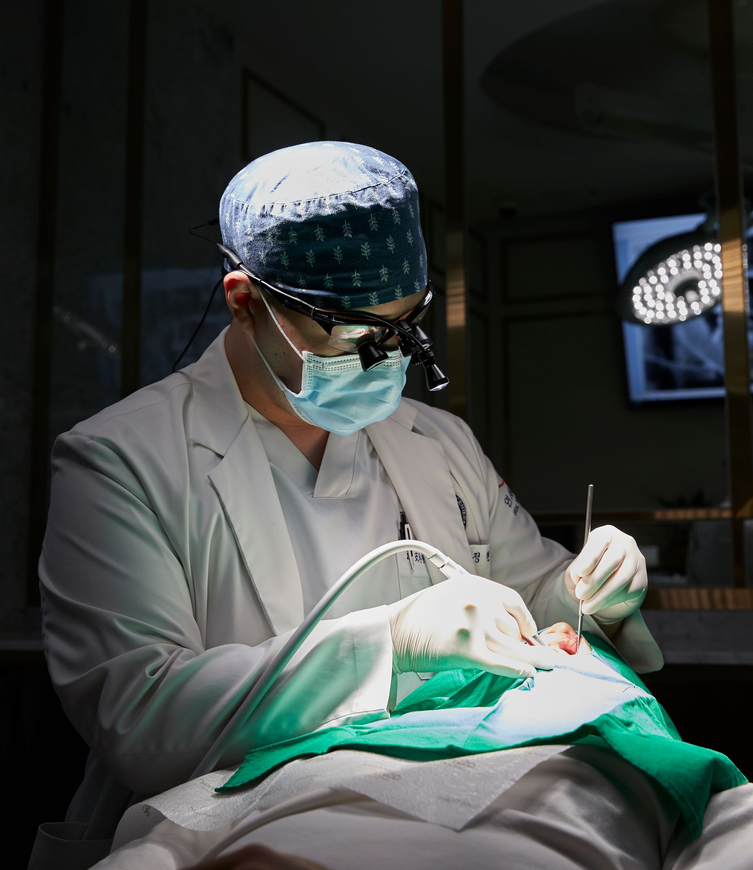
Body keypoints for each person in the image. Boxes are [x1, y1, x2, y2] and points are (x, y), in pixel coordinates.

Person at [33, 142, 662, 869]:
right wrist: (390, 642)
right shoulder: (119, 460)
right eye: (355, 332)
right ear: (245, 302)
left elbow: (531, 597)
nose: (386, 358)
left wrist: (589, 594)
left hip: (459, 792)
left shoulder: (440, 443)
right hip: (235, 817)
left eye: (404, 326)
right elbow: (142, 719)